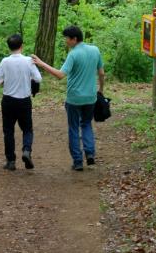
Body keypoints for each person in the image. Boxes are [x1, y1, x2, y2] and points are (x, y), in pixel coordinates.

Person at [32, 25, 104, 171]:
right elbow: (102, 73)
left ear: (74, 39)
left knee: (73, 128)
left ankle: (77, 161)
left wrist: (41, 63)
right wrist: (101, 90)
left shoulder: (73, 54)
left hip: (74, 98)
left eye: (67, 38)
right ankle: (90, 154)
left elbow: (60, 75)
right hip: (91, 97)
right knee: (86, 124)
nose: (66, 41)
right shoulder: (95, 50)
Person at [0, 33, 42, 171]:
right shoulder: (28, 61)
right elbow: (38, 78)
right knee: (27, 129)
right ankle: (26, 150)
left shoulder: (5, 61)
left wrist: (4, 82)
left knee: (8, 131)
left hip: (8, 100)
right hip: (24, 100)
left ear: (9, 47)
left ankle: (11, 161)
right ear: (22, 46)